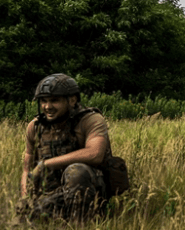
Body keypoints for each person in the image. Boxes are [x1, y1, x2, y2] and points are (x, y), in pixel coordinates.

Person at [15, 73, 120, 221]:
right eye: (43, 101)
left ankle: (81, 223)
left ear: (72, 100)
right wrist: (25, 197)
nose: (47, 107)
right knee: (25, 216)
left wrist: (46, 164)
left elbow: (95, 154)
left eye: (54, 101)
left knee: (76, 171)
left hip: (91, 193)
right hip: (54, 193)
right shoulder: (35, 127)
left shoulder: (90, 120)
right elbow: (27, 168)